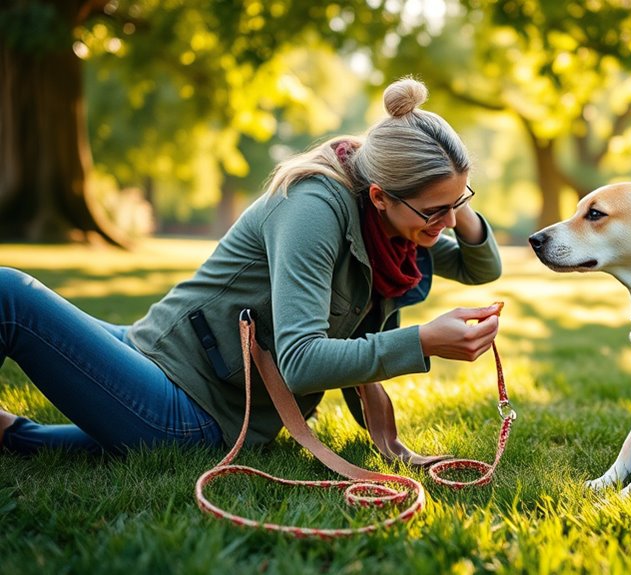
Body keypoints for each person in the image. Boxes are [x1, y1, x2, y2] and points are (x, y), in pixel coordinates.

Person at [0, 77, 502, 456]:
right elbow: (302, 361)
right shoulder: (315, 209)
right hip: (172, 373)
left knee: (9, 301)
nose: (448, 223)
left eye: (458, 203)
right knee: (10, 295)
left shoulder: (397, 225)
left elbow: (480, 267)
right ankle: (18, 435)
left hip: (206, 409)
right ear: (378, 196)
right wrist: (421, 341)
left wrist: (454, 197)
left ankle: (16, 435)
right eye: (436, 210)